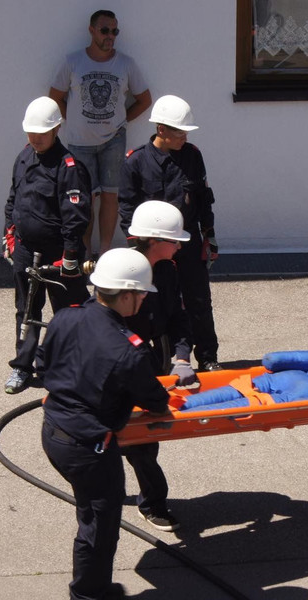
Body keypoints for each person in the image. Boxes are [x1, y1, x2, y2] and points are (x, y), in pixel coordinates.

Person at [38, 248, 169, 600]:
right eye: (141, 294)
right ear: (126, 295)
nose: (143, 300)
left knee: (95, 516)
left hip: (55, 430)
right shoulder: (128, 350)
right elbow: (155, 401)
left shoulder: (65, 317)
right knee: (98, 524)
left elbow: (43, 366)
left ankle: (96, 585)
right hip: (89, 446)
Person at [119, 94, 222, 371]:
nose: (184, 138)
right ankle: (154, 360)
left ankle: (208, 357)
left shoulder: (192, 156)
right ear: (161, 129)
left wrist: (209, 234)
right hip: (153, 248)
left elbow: (203, 198)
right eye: (179, 132)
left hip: (187, 242)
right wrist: (138, 247)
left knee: (198, 301)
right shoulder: (135, 162)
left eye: (186, 132)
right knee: (153, 303)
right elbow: (126, 208)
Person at [3, 96, 90, 395]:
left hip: (58, 253)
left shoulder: (69, 167)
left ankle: (71, 367)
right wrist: (9, 236)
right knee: (26, 310)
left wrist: (70, 255)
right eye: (31, 132)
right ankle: (22, 366)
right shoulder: (23, 157)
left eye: (41, 133)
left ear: (56, 129)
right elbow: (13, 200)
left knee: (69, 312)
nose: (35, 138)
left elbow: (76, 217)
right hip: (26, 249)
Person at [49, 9, 152, 258]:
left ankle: (105, 251)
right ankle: (85, 254)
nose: (110, 36)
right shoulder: (73, 62)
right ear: (92, 30)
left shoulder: (126, 64)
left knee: (110, 196)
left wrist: (122, 121)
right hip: (79, 143)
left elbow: (144, 99)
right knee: (84, 199)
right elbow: (55, 96)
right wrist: (73, 119)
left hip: (113, 142)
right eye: (105, 30)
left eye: (115, 31)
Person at [121, 200, 197, 531]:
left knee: (143, 439)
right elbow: (108, 326)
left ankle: (151, 500)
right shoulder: (123, 272)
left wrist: (182, 358)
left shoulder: (167, 271)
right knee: (129, 438)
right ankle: (145, 501)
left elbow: (178, 318)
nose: (179, 246)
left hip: (150, 360)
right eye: (173, 240)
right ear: (153, 240)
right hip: (119, 363)